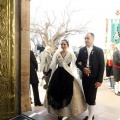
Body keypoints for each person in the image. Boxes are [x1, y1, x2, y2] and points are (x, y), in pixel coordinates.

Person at [43, 40, 87, 120]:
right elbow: (53, 65)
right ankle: (60, 113)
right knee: (57, 94)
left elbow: (76, 64)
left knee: (68, 93)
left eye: (64, 44)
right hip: (58, 75)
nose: (63, 46)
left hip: (68, 75)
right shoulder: (57, 54)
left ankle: (67, 113)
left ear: (67, 45)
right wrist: (46, 74)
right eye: (62, 44)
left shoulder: (71, 54)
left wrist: (84, 68)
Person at [76, 33, 104, 120]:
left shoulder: (99, 51)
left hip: (94, 78)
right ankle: (90, 114)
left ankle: (90, 117)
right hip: (85, 78)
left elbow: (101, 66)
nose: (86, 40)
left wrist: (99, 80)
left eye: (88, 38)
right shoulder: (81, 50)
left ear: (93, 39)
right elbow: (77, 62)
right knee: (87, 97)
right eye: (85, 38)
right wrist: (83, 68)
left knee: (92, 97)